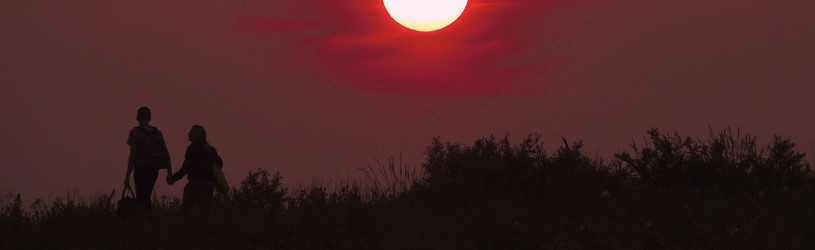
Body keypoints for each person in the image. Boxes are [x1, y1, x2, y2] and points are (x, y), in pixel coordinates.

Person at [124, 106, 172, 216]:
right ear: (150, 117)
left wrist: (127, 176)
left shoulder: (134, 132)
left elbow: (132, 155)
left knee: (141, 197)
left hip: (140, 170)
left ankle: (145, 220)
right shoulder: (157, 132)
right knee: (147, 196)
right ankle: (148, 218)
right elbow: (166, 153)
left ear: (137, 117)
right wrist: (170, 173)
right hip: (153, 170)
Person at [167, 125, 223, 209]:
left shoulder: (192, 149)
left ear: (196, 135)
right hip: (208, 185)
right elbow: (220, 163)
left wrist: (174, 178)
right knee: (205, 213)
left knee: (187, 214)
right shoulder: (211, 150)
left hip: (194, 184)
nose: (188, 134)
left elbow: (186, 168)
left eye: (190, 132)